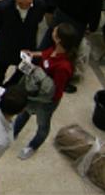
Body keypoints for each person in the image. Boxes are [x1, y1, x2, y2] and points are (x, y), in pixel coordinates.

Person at [12, 23, 78, 160]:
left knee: (42, 125)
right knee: (24, 112)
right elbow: (46, 55)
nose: (53, 30)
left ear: (59, 39)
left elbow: (56, 90)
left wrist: (46, 101)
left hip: (47, 101)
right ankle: (13, 133)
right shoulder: (55, 49)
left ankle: (32, 146)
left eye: (55, 31)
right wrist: (32, 54)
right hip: (35, 91)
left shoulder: (63, 67)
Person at [0, 0, 44, 87]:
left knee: (23, 71)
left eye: (28, 4)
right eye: (21, 4)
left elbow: (39, 19)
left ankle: (10, 87)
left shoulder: (39, 4)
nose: (25, 7)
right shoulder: (2, 7)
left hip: (28, 45)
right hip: (6, 45)